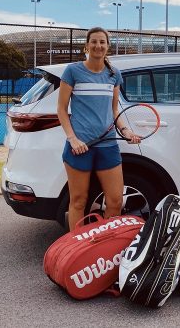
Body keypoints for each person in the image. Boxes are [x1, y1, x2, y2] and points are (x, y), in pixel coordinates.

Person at [57, 27, 139, 230]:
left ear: (107, 46)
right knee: (78, 201)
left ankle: (106, 243)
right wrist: (73, 139)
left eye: (102, 42)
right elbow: (61, 109)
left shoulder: (114, 74)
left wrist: (126, 131)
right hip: (79, 147)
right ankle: (77, 245)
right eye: (94, 41)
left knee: (115, 202)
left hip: (108, 145)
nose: (98, 45)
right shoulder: (73, 71)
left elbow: (114, 110)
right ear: (86, 45)